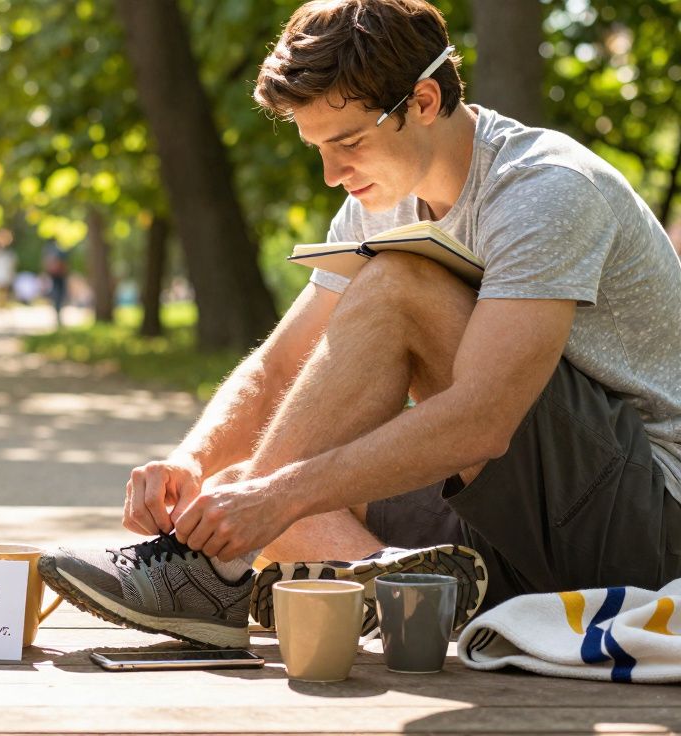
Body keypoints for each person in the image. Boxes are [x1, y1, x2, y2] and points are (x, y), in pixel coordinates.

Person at [39, 0, 681, 650]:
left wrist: (272, 497)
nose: (331, 174)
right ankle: (403, 598)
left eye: (348, 143)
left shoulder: (545, 189)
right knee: (268, 478)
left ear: (425, 100)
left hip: (648, 522)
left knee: (397, 287)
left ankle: (212, 573)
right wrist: (191, 464)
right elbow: (280, 366)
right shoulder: (377, 194)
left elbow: (483, 421)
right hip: (520, 519)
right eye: (317, 146)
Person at [42, 240, 69, 328]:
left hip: (56, 274)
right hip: (58, 274)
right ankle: (58, 313)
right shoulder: (60, 249)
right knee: (58, 294)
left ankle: (58, 313)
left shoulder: (50, 248)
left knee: (57, 294)